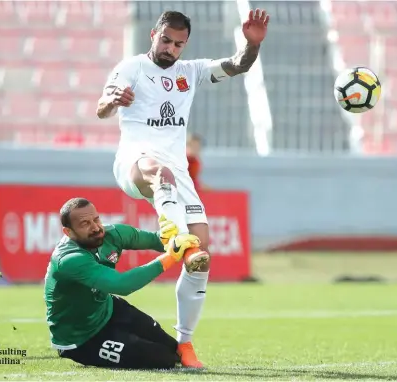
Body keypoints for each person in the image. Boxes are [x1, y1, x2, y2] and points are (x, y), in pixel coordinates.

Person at [96, 8, 269, 368]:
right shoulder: (130, 68)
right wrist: (112, 100)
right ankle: (173, 234)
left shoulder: (189, 72)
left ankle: (184, 344)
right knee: (160, 174)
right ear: (153, 36)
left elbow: (238, 65)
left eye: (178, 44)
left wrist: (251, 45)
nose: (171, 48)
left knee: (202, 259)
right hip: (135, 162)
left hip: (177, 173)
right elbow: (102, 107)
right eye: (166, 40)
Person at [44, 197, 202, 369]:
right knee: (163, 359)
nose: (96, 227)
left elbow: (155, 240)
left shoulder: (113, 234)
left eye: (96, 219)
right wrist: (170, 257)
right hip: (80, 338)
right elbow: (122, 285)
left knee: (172, 348)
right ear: (68, 232)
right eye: (85, 224)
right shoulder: (68, 259)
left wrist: (170, 237)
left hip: (107, 309)